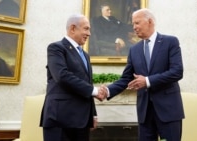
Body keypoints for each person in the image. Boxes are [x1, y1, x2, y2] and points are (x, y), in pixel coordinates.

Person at [103, 8, 184, 141]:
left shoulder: (170, 42)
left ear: (150, 21)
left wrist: (147, 81)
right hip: (145, 113)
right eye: (133, 24)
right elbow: (126, 79)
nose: (134, 27)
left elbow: (177, 72)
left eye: (137, 23)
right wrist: (107, 90)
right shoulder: (134, 50)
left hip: (169, 111)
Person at [39, 14, 107, 141]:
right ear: (73, 28)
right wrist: (95, 91)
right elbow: (62, 76)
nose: (89, 33)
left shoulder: (85, 55)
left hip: (82, 121)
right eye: (86, 29)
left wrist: (93, 114)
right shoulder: (56, 48)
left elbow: (86, 83)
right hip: (60, 119)